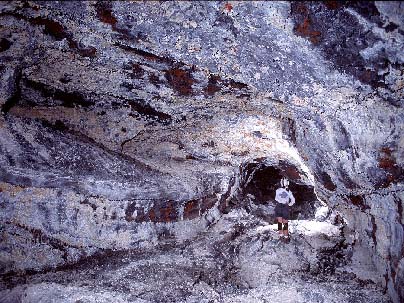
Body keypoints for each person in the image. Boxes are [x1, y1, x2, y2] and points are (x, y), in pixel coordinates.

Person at [274, 177, 295, 242]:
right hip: (285, 206)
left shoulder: (277, 190)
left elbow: (276, 199)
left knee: (280, 221)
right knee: (285, 222)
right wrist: (289, 204)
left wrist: (281, 200)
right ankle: (286, 237)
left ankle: (281, 235)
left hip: (278, 206)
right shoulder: (289, 191)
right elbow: (293, 200)